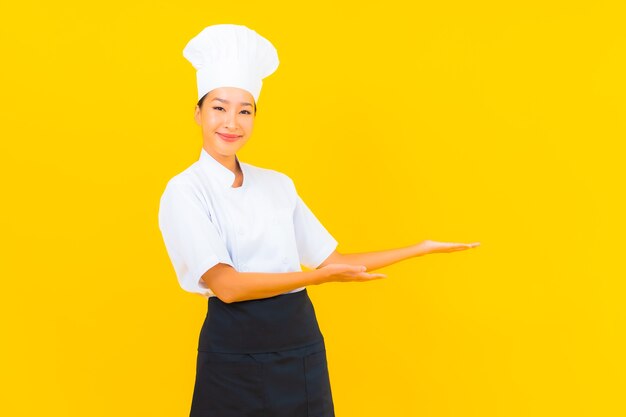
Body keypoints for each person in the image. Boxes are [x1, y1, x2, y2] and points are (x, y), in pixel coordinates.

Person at [158, 24, 480, 417]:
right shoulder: (185, 191)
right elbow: (227, 286)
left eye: (245, 111)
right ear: (198, 112)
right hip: (234, 352)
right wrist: (315, 278)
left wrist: (419, 248)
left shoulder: (277, 185)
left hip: (300, 345)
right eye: (219, 108)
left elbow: (333, 261)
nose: (232, 123)